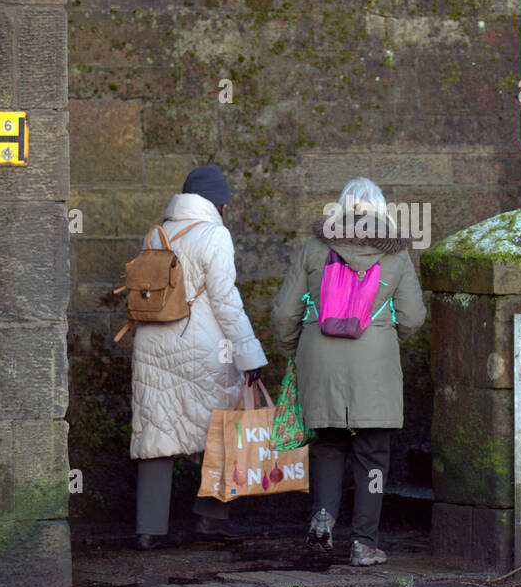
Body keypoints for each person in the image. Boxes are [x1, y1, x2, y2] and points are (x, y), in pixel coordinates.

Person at [271, 177, 426, 566]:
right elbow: (413, 315)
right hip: (374, 364)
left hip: (319, 361)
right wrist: (385, 338)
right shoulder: (396, 254)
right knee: (371, 454)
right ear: (381, 209)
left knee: (327, 445)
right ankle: (363, 544)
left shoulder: (314, 248)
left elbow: (285, 312)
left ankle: (323, 516)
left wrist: (298, 352)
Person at [131, 165, 267, 549]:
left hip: (152, 345)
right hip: (201, 347)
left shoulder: (157, 233)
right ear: (218, 203)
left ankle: (148, 529)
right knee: (221, 430)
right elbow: (225, 301)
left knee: (156, 433)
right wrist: (249, 354)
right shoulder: (215, 235)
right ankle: (211, 520)